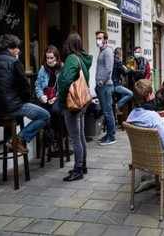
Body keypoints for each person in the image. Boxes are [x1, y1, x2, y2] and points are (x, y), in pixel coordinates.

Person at [0, 35, 50, 153]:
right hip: (11, 107)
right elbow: (25, 87)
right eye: (17, 47)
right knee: (44, 115)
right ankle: (17, 139)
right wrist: (26, 100)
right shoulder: (14, 62)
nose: (19, 50)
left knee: (16, 115)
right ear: (10, 48)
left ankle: (11, 141)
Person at [58, 33, 92, 181]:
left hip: (72, 104)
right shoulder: (82, 59)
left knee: (75, 138)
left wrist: (62, 100)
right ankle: (82, 165)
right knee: (81, 136)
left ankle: (78, 169)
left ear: (69, 44)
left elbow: (65, 81)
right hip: (82, 103)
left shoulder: (72, 59)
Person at [94, 31, 116, 146]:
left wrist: (101, 82)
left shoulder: (107, 51)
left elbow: (108, 69)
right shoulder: (102, 51)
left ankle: (111, 136)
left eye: (100, 38)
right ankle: (108, 134)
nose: (98, 40)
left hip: (106, 86)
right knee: (106, 111)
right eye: (97, 38)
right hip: (102, 86)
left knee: (108, 112)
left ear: (105, 39)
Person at [35, 45, 63, 126]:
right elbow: (38, 85)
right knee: (41, 112)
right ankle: (47, 135)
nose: (49, 60)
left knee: (55, 110)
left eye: (51, 58)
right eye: (47, 58)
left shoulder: (61, 68)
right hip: (45, 98)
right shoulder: (43, 69)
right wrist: (41, 96)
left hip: (57, 97)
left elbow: (64, 88)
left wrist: (55, 98)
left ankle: (58, 134)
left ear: (56, 58)